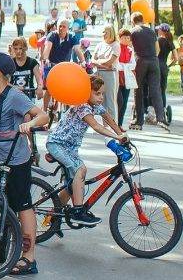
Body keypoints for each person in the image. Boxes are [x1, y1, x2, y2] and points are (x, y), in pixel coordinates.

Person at [0, 52, 49, 276]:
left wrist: (30, 123)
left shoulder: (14, 96)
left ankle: (28, 258)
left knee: (23, 206)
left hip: (16, 159)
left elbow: (43, 116)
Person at [44, 75, 128, 226]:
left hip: (70, 147)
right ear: (85, 92)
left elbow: (108, 119)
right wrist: (117, 136)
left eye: (103, 93)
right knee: (80, 169)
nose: (101, 97)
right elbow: (97, 126)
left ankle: (54, 215)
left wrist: (122, 133)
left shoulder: (95, 106)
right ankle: (78, 211)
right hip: (58, 144)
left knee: (73, 186)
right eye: (97, 93)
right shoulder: (81, 105)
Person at [129, 13, 166, 131]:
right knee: (155, 90)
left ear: (133, 21)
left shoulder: (132, 32)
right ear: (143, 20)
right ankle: (160, 117)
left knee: (138, 90)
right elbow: (158, 49)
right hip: (154, 62)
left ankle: (139, 120)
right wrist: (153, 58)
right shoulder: (151, 31)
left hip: (140, 61)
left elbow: (129, 47)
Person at [91, 25, 120, 120]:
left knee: (110, 100)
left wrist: (99, 62)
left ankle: (114, 125)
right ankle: (105, 125)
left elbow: (110, 62)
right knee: (101, 100)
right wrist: (102, 64)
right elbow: (93, 60)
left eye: (106, 32)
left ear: (111, 33)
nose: (103, 34)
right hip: (100, 73)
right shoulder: (100, 45)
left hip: (110, 74)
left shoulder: (115, 45)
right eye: (103, 32)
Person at [116, 28, 136, 127]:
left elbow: (133, 64)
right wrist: (125, 66)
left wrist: (124, 66)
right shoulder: (116, 48)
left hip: (126, 78)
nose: (126, 40)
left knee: (124, 102)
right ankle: (113, 123)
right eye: (124, 38)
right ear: (119, 38)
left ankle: (120, 124)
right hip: (117, 78)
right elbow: (116, 64)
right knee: (119, 101)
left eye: (128, 38)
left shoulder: (129, 50)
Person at [157, 23, 177, 113]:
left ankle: (154, 107)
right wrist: (169, 65)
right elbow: (176, 58)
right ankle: (163, 109)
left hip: (156, 65)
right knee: (162, 89)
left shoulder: (158, 41)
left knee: (154, 87)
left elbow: (156, 52)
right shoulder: (170, 42)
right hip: (164, 66)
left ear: (161, 31)